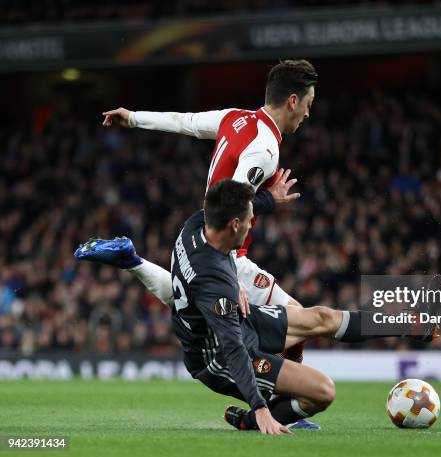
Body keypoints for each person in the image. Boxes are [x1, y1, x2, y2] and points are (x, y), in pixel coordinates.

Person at [75, 59, 319, 428]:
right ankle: (284, 407)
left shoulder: (236, 118)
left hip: (196, 239)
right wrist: (271, 202)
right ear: (291, 100)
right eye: (307, 104)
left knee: (183, 297)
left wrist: (135, 117)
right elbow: (236, 199)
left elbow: (186, 122)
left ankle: (132, 261)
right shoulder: (265, 149)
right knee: (301, 318)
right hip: (225, 253)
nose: (307, 113)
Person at [168, 179, 439, 435]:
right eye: (250, 221)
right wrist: (260, 408)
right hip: (218, 357)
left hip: (239, 320)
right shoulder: (216, 285)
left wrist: (269, 200)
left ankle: (413, 325)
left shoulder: (196, 225)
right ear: (235, 224)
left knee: (321, 317)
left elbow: (221, 246)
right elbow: (233, 346)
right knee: (322, 391)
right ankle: (251, 419)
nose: (253, 224)